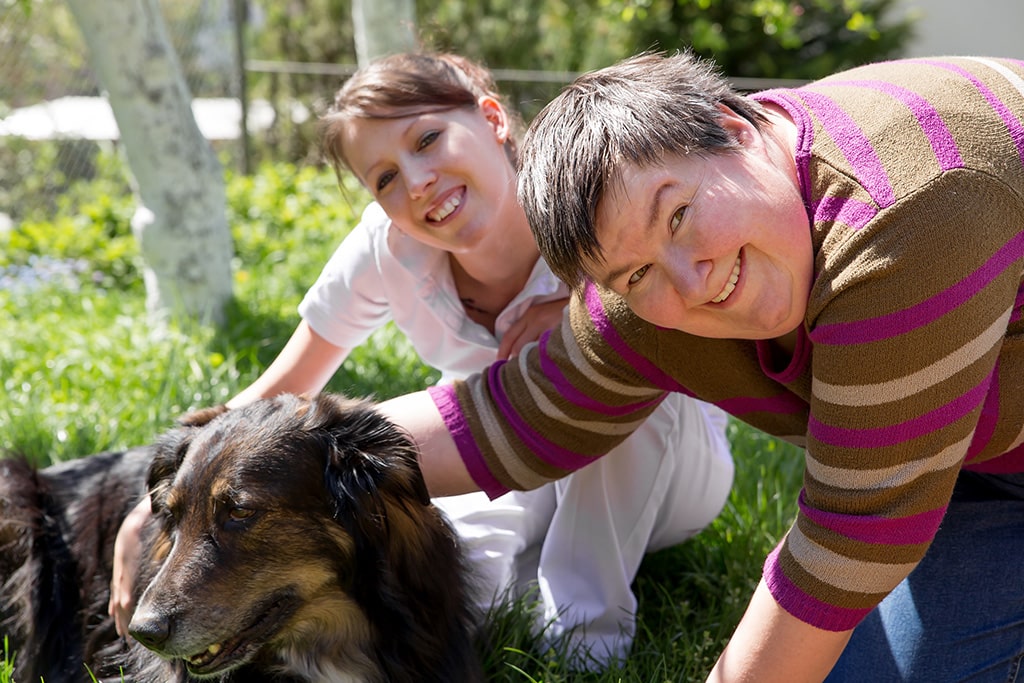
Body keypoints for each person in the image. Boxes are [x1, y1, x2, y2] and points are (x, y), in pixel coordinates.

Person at [364, 51, 1024, 682]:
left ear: (734, 128)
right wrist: (301, 450)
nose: (691, 280)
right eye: (640, 272)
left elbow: (853, 537)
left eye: (679, 214)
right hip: (971, 462)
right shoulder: (648, 298)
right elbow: (515, 417)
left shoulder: (906, 213)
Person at [109, 52, 735, 669]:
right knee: (455, 589)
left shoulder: (579, 202)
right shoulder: (389, 247)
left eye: (428, 139)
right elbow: (280, 390)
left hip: (665, 467)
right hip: (508, 453)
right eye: (382, 178)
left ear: (491, 118)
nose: (415, 181)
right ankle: (530, 589)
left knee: (617, 386)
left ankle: (587, 640)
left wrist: (591, 316)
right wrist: (152, 510)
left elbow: (681, 308)